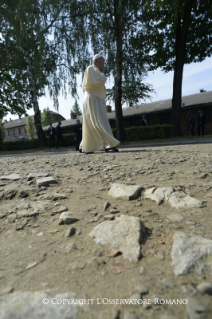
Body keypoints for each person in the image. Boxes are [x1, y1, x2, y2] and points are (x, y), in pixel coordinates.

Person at [79, 54, 120, 154]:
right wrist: (102, 74)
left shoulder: (95, 70)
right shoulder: (91, 68)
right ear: (97, 61)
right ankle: (108, 144)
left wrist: (102, 74)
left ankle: (86, 146)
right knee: (100, 121)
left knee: (92, 123)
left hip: (94, 98)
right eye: (102, 62)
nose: (103, 65)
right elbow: (98, 81)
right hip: (93, 98)